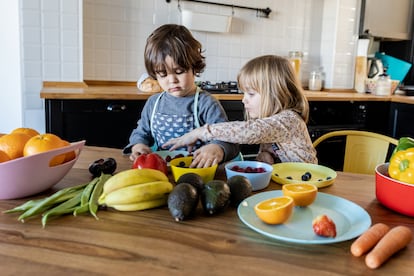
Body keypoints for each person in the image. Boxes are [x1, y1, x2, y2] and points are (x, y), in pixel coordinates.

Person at [163, 55, 318, 165]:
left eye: (250, 93)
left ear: (275, 94)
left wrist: (201, 132)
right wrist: (266, 156)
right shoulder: (270, 122)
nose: (244, 99)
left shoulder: (288, 120)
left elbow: (250, 131)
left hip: (307, 188)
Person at [123, 24, 239, 168]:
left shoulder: (206, 103)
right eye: (163, 74)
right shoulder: (154, 103)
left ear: (194, 67)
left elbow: (228, 140)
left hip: (198, 171)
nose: (172, 80)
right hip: (161, 170)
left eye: (179, 72)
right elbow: (141, 132)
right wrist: (138, 145)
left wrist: (217, 148)